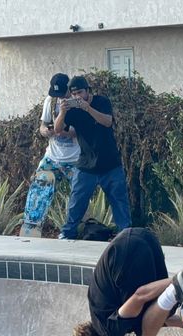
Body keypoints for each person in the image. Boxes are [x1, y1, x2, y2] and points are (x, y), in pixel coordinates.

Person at [54, 75, 131, 239]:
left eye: (80, 93)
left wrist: (88, 108)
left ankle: (126, 235)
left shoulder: (102, 102)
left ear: (88, 90)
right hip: (86, 163)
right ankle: (68, 233)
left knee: (119, 201)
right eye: (74, 94)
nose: (77, 97)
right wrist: (62, 112)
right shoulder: (72, 110)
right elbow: (58, 129)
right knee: (77, 201)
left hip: (110, 163)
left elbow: (107, 121)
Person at [19, 73, 80, 236]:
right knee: (39, 187)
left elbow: (81, 132)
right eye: (56, 94)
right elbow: (42, 126)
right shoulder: (50, 100)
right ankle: (31, 226)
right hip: (52, 156)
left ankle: (78, 229)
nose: (59, 98)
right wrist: (46, 131)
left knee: (79, 195)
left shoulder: (78, 103)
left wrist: (63, 132)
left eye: (62, 94)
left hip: (75, 159)